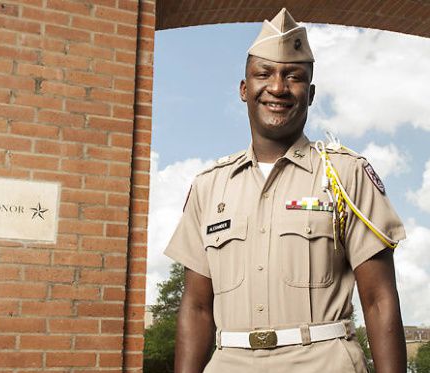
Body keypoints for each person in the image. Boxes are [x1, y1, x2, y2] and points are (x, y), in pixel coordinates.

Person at [164, 8, 407, 373]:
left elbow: (378, 300)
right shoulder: (209, 186)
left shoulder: (345, 174)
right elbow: (197, 307)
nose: (277, 87)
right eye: (264, 74)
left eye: (293, 77)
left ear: (309, 94)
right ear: (244, 89)